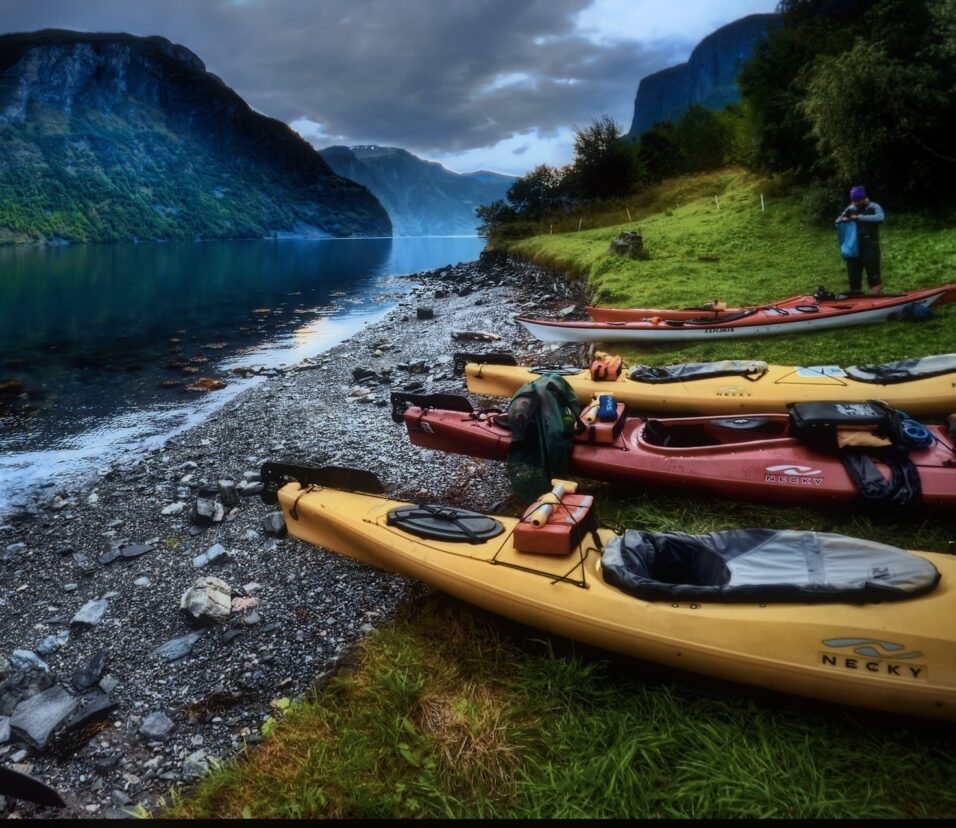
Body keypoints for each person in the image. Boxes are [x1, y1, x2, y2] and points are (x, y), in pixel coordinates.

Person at [835, 185, 884, 296]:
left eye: (857, 200)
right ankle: (858, 301)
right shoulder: (850, 208)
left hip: (871, 245)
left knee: (873, 275)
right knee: (854, 277)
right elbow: (837, 221)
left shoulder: (874, 207)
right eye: (854, 201)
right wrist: (843, 219)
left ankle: (876, 301)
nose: (855, 203)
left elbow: (880, 217)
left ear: (863, 198)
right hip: (854, 247)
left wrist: (859, 217)